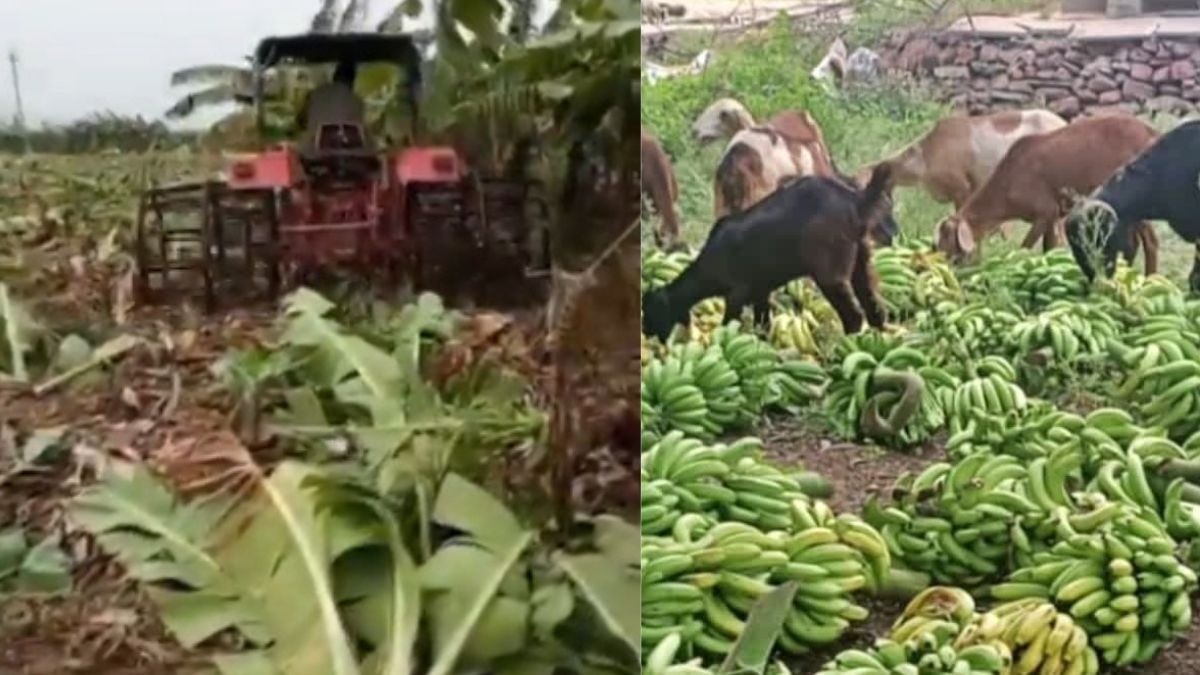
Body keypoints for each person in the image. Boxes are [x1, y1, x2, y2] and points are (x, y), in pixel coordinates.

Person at [297, 60, 367, 154]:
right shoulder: (357, 101)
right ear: (352, 81)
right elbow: (359, 130)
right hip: (349, 153)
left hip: (313, 152)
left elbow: (300, 121)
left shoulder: (315, 94)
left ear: (334, 77)